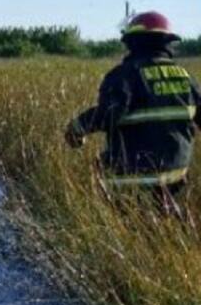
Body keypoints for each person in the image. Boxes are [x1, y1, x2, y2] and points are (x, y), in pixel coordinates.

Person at [65, 11, 201, 207]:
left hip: (132, 177)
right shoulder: (187, 78)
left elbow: (109, 114)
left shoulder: (125, 75)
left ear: (133, 42)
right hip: (175, 175)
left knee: (98, 167)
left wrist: (77, 128)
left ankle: (113, 221)